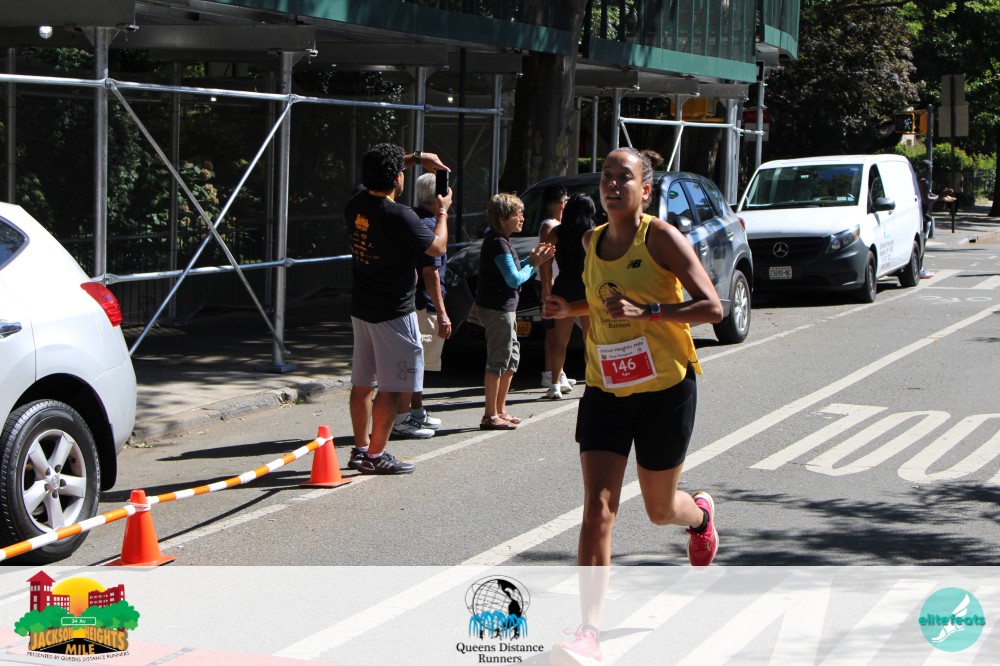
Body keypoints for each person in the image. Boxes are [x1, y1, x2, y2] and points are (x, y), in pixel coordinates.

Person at [544, 148, 722, 661]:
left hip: (665, 388)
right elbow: (604, 304)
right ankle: (588, 632)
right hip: (605, 388)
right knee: (598, 508)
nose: (613, 185)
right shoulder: (590, 240)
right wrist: (569, 307)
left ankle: (699, 518)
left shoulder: (661, 237)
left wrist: (650, 312)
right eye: (607, 177)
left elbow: (712, 307)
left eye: (625, 178)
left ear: (645, 190)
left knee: (659, 509)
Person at [345, 144, 451, 475]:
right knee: (392, 387)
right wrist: (443, 211)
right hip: (394, 312)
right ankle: (376, 455)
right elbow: (437, 247)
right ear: (397, 178)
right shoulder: (400, 215)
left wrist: (417, 159)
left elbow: (382, 167)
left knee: (363, 383)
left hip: (362, 308)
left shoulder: (357, 201)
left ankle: (361, 448)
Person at [476, 193, 554, 430]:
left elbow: (514, 273)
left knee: (511, 358)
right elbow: (513, 279)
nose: (522, 218)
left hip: (504, 308)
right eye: (517, 214)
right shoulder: (497, 242)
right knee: (499, 360)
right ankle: (490, 415)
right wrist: (534, 263)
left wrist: (532, 260)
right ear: (502, 218)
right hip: (498, 309)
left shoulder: (502, 240)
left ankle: (500, 410)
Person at [391, 172, 452, 439]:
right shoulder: (430, 225)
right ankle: (402, 418)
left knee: (417, 363)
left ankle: (415, 411)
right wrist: (442, 314)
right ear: (441, 196)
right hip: (421, 305)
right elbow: (430, 273)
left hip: (409, 302)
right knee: (414, 364)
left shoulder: (412, 217)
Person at [539, 193, 596, 400]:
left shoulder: (557, 232)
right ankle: (592, 383)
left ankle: (554, 384)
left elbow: (545, 262)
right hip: (587, 286)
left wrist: (547, 287)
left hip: (564, 285)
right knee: (590, 339)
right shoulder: (593, 233)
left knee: (559, 340)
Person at [536, 183, 575, 394]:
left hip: (558, 282)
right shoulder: (549, 226)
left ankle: (558, 372)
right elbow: (545, 259)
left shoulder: (557, 225)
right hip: (551, 283)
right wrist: (547, 287)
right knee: (553, 331)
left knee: (558, 332)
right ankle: (550, 372)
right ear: (562, 203)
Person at [916, 160, 952, 279]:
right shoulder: (924, 182)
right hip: (924, 216)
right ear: (929, 170)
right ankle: (919, 268)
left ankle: (919, 267)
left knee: (920, 244)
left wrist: (941, 197)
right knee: (923, 244)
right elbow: (927, 199)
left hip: (919, 215)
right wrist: (940, 197)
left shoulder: (917, 180)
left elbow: (929, 194)